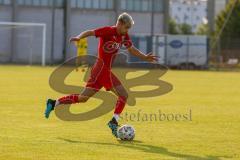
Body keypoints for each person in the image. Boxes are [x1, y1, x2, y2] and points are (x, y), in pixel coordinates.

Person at [44, 12, 158, 138]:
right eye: (126, 27)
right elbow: (91, 32)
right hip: (102, 70)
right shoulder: (108, 31)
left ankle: (54, 103)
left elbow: (131, 49)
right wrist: (79, 37)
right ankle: (113, 122)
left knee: (83, 98)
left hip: (99, 71)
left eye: (129, 28)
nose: (127, 30)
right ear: (119, 23)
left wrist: (145, 57)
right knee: (123, 95)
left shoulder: (124, 35)